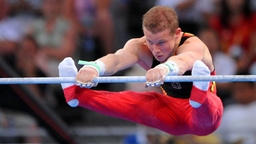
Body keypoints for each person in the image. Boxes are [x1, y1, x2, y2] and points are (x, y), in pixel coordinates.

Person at [58, 6, 223, 136]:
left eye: (161, 42)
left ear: (177, 34)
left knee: (211, 106)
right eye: (150, 41)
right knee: (136, 102)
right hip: (171, 113)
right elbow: (116, 60)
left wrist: (165, 68)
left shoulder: (192, 44)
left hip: (203, 117)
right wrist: (94, 67)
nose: (155, 49)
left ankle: (199, 96)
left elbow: (184, 60)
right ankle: (76, 94)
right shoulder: (141, 46)